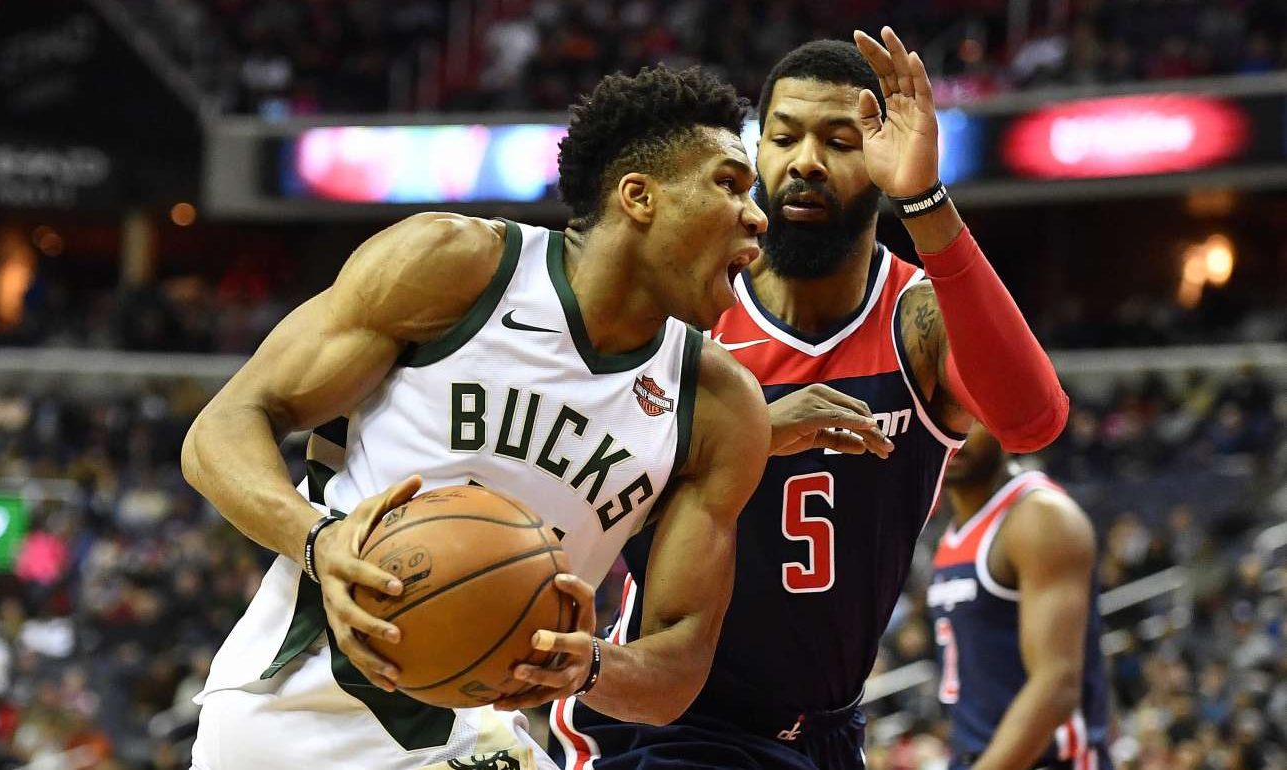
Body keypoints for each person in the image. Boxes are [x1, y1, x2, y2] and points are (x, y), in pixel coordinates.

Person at [180, 65, 803, 770]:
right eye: (730, 184)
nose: (757, 216)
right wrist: (318, 541)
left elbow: (677, 668)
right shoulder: (460, 267)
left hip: (466, 724)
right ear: (639, 196)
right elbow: (221, 429)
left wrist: (591, 666)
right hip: (291, 709)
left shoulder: (718, 405)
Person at [552, 28, 1068, 770]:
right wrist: (753, 432)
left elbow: (1032, 420)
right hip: (672, 720)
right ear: (755, 153)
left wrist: (924, 200)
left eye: (840, 141)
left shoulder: (915, 320)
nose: (805, 162)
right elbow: (586, 477)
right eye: (784, 137)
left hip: (826, 730)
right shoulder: (695, 310)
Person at [929, 422, 1112, 770]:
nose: (958, 431)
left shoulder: (1041, 516)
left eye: (974, 417)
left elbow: (1057, 684)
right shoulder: (952, 533)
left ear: (1004, 420)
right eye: (947, 413)